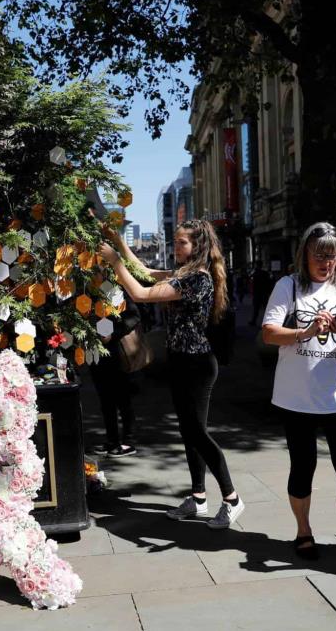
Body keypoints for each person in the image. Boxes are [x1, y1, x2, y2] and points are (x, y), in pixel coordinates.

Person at [99, 219, 244, 529]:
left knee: (197, 434)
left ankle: (232, 498)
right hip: (182, 362)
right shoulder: (184, 274)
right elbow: (144, 272)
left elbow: (139, 293)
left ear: (198, 246)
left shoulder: (196, 280)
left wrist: (113, 261)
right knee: (189, 432)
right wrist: (119, 241)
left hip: (197, 366)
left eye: (182, 243)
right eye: (176, 241)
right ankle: (198, 497)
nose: (177, 247)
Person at [261, 223, 336, 563]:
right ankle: (303, 531)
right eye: (320, 255)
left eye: (333, 255)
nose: (327, 262)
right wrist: (306, 331)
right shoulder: (289, 286)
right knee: (303, 466)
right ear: (305, 255)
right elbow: (269, 333)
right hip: (296, 396)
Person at [90, 294, 141, 458]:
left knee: (122, 397)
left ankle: (129, 441)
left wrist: (113, 333)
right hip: (96, 353)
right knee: (105, 401)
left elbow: (134, 317)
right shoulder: (87, 290)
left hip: (116, 352)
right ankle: (112, 440)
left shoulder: (115, 290)